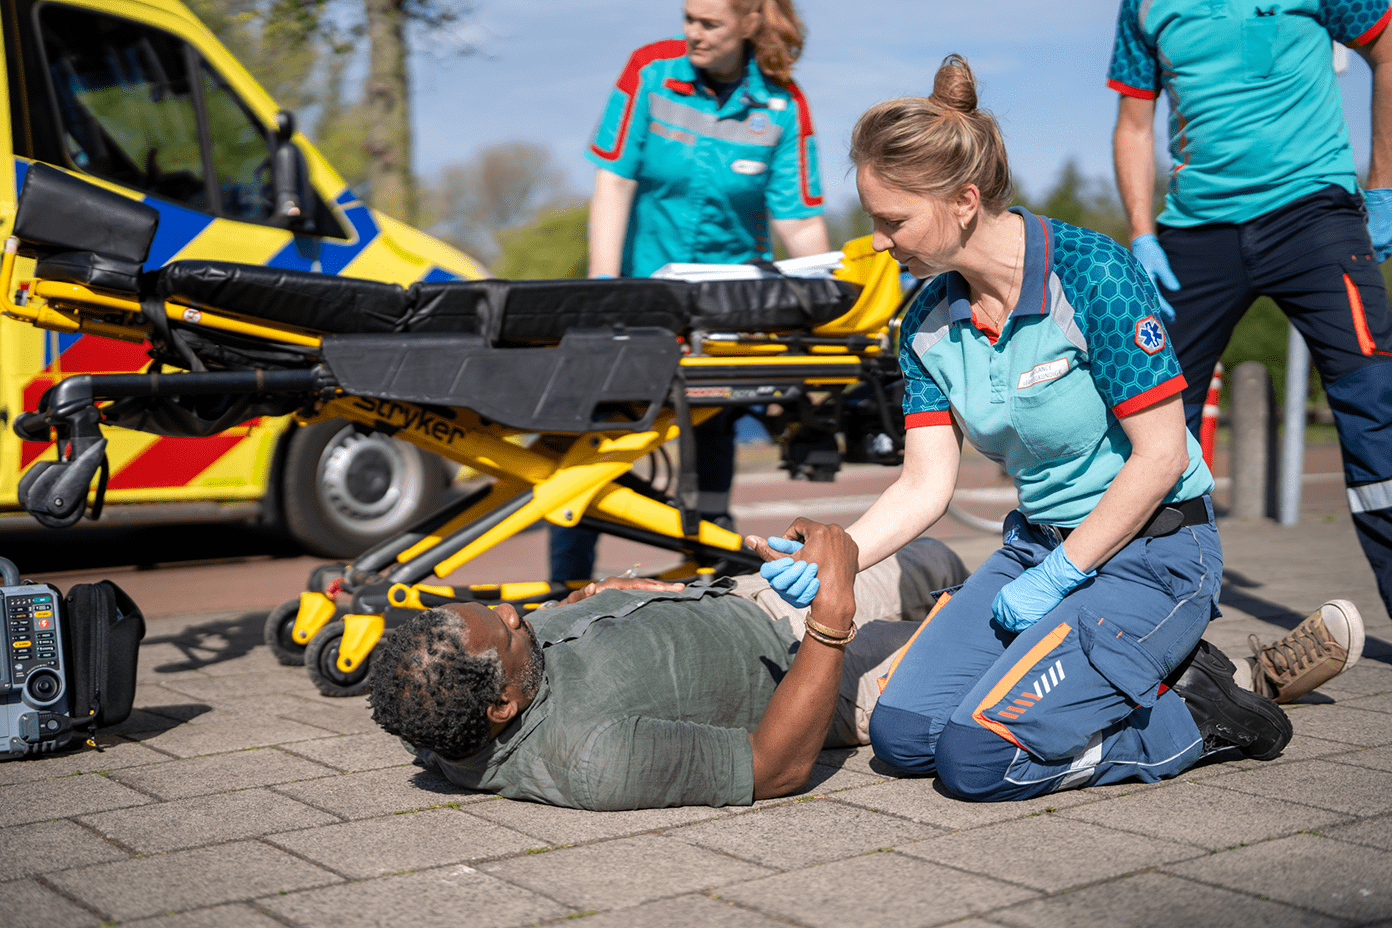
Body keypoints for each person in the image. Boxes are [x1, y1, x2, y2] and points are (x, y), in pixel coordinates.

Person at [759, 53, 1367, 804]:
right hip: (1036, 554)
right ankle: (1140, 674)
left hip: (1154, 553)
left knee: (976, 761)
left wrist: (1066, 572)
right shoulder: (922, 323)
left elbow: (1161, 452)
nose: (880, 242)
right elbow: (924, 483)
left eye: (893, 221)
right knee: (903, 737)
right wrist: (837, 561)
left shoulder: (1092, 276)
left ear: (964, 200)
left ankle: (1198, 715)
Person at [368, 521, 1356, 811]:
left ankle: (1165, 649)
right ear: (500, 708)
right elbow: (774, 767)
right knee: (1015, 678)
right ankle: (1239, 690)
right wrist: (833, 619)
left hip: (753, 608)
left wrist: (624, 593)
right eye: (503, 624)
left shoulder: (465, 689)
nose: (510, 604)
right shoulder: (586, 758)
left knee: (940, 558)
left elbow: (567, 629)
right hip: (832, 684)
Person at [1108, 0, 1392, 621]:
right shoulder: (1146, 6)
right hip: (1192, 236)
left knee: (1377, 409)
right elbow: (1134, 122)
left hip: (1313, 214)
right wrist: (1139, 233)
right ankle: (1151, 618)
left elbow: (1387, 47)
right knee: (1148, 418)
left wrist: (1383, 186)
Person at [550, 0, 831, 583]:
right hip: (642, 298)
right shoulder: (651, 72)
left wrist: (834, 308)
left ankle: (714, 585)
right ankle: (562, 589)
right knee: (593, 449)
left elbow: (798, 222)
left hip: (727, 311)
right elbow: (614, 181)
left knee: (710, 443)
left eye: (710, 23)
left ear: (750, 22)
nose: (693, 33)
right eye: (688, 19)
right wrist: (607, 291)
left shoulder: (782, 104)